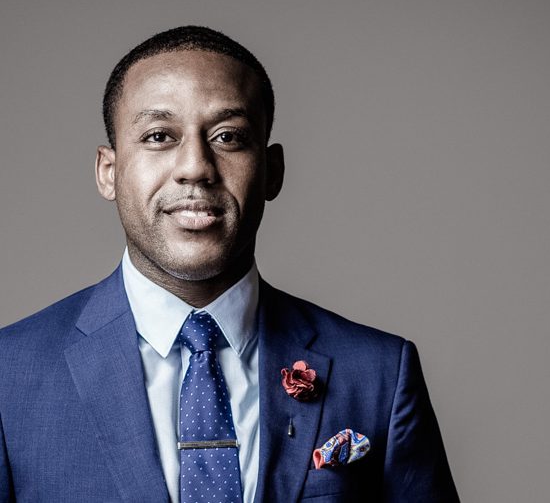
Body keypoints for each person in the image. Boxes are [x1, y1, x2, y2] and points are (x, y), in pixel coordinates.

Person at [0, 26, 458, 502]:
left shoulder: (379, 374)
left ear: (272, 171)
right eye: (159, 136)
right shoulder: (8, 376)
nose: (195, 167)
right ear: (108, 172)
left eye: (228, 137)